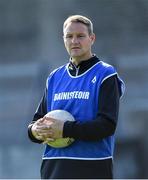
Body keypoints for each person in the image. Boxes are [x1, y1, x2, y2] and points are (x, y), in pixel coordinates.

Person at [28, 15, 125, 179]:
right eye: (69, 36)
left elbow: (107, 125)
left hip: (92, 168)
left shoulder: (106, 74)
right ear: (64, 39)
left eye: (80, 36)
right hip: (53, 169)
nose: (74, 41)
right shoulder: (54, 77)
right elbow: (35, 123)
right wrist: (35, 131)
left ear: (91, 38)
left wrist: (65, 129)